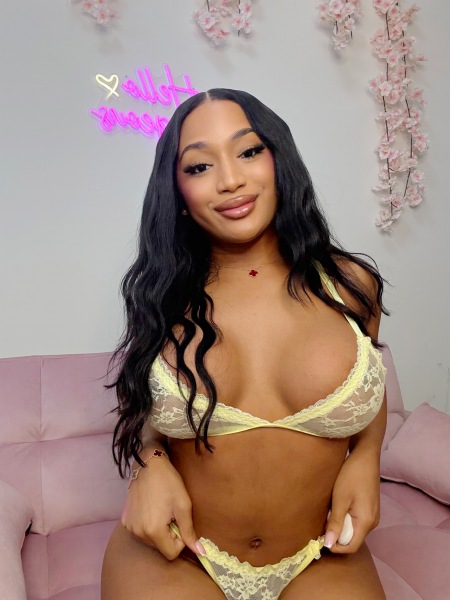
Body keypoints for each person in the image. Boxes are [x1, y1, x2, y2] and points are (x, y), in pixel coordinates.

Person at [101, 88, 388, 600]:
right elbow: (146, 407)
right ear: (178, 194)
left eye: (249, 151)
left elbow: (369, 381)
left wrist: (366, 458)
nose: (230, 180)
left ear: (280, 161)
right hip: (180, 555)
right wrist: (149, 461)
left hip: (319, 553)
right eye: (199, 166)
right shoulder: (161, 296)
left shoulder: (351, 286)